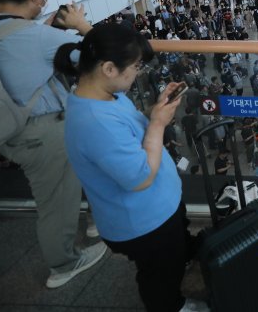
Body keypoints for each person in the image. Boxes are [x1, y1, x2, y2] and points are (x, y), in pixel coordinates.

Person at [55, 24, 206, 311]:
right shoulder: (94, 122)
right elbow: (139, 178)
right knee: (160, 277)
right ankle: (172, 306)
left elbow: (132, 132)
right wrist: (159, 123)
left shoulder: (105, 97)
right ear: (109, 68)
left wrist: (155, 110)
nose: (137, 72)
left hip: (158, 210)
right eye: (135, 66)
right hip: (143, 222)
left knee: (173, 257)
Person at [0, 0, 107, 290]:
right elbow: (106, 57)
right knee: (55, 203)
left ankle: (97, 223)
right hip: (42, 133)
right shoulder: (40, 36)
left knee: (81, 173)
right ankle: (64, 264)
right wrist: (81, 25)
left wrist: (46, 28)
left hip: (6, 128)